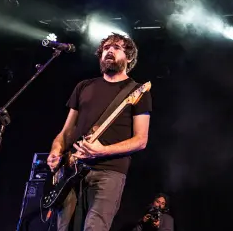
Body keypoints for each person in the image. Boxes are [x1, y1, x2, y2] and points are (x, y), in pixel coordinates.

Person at [47, 32, 153, 231]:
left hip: (109, 171)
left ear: (129, 57)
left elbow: (141, 140)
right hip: (71, 169)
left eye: (116, 48)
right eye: (106, 48)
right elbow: (66, 132)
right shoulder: (83, 86)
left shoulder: (137, 91)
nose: (109, 51)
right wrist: (56, 151)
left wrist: (102, 151)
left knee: (95, 227)